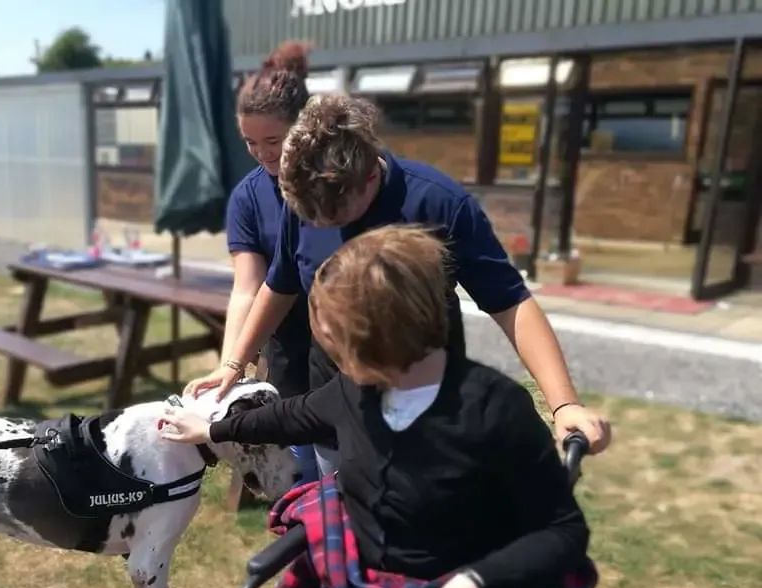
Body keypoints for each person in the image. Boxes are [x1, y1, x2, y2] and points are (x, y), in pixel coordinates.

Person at [161, 225, 597, 588]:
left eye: (336, 335)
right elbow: (286, 418)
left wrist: (473, 584)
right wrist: (211, 428)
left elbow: (563, 534)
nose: (327, 346)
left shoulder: (495, 410)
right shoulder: (354, 391)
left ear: (383, 338)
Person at [189, 93, 611, 476]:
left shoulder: (438, 202)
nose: (324, 226)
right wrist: (233, 362)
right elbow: (279, 285)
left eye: (337, 218)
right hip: (337, 405)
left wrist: (564, 403)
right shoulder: (305, 199)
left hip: (423, 411)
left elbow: (510, 302)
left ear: (370, 175)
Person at [220, 40, 338, 485]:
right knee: (303, 470)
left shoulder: (336, 186)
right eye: (250, 142)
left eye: (274, 140)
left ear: (303, 128)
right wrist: (232, 361)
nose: (263, 153)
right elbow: (248, 288)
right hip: (290, 350)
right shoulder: (249, 197)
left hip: (350, 348)